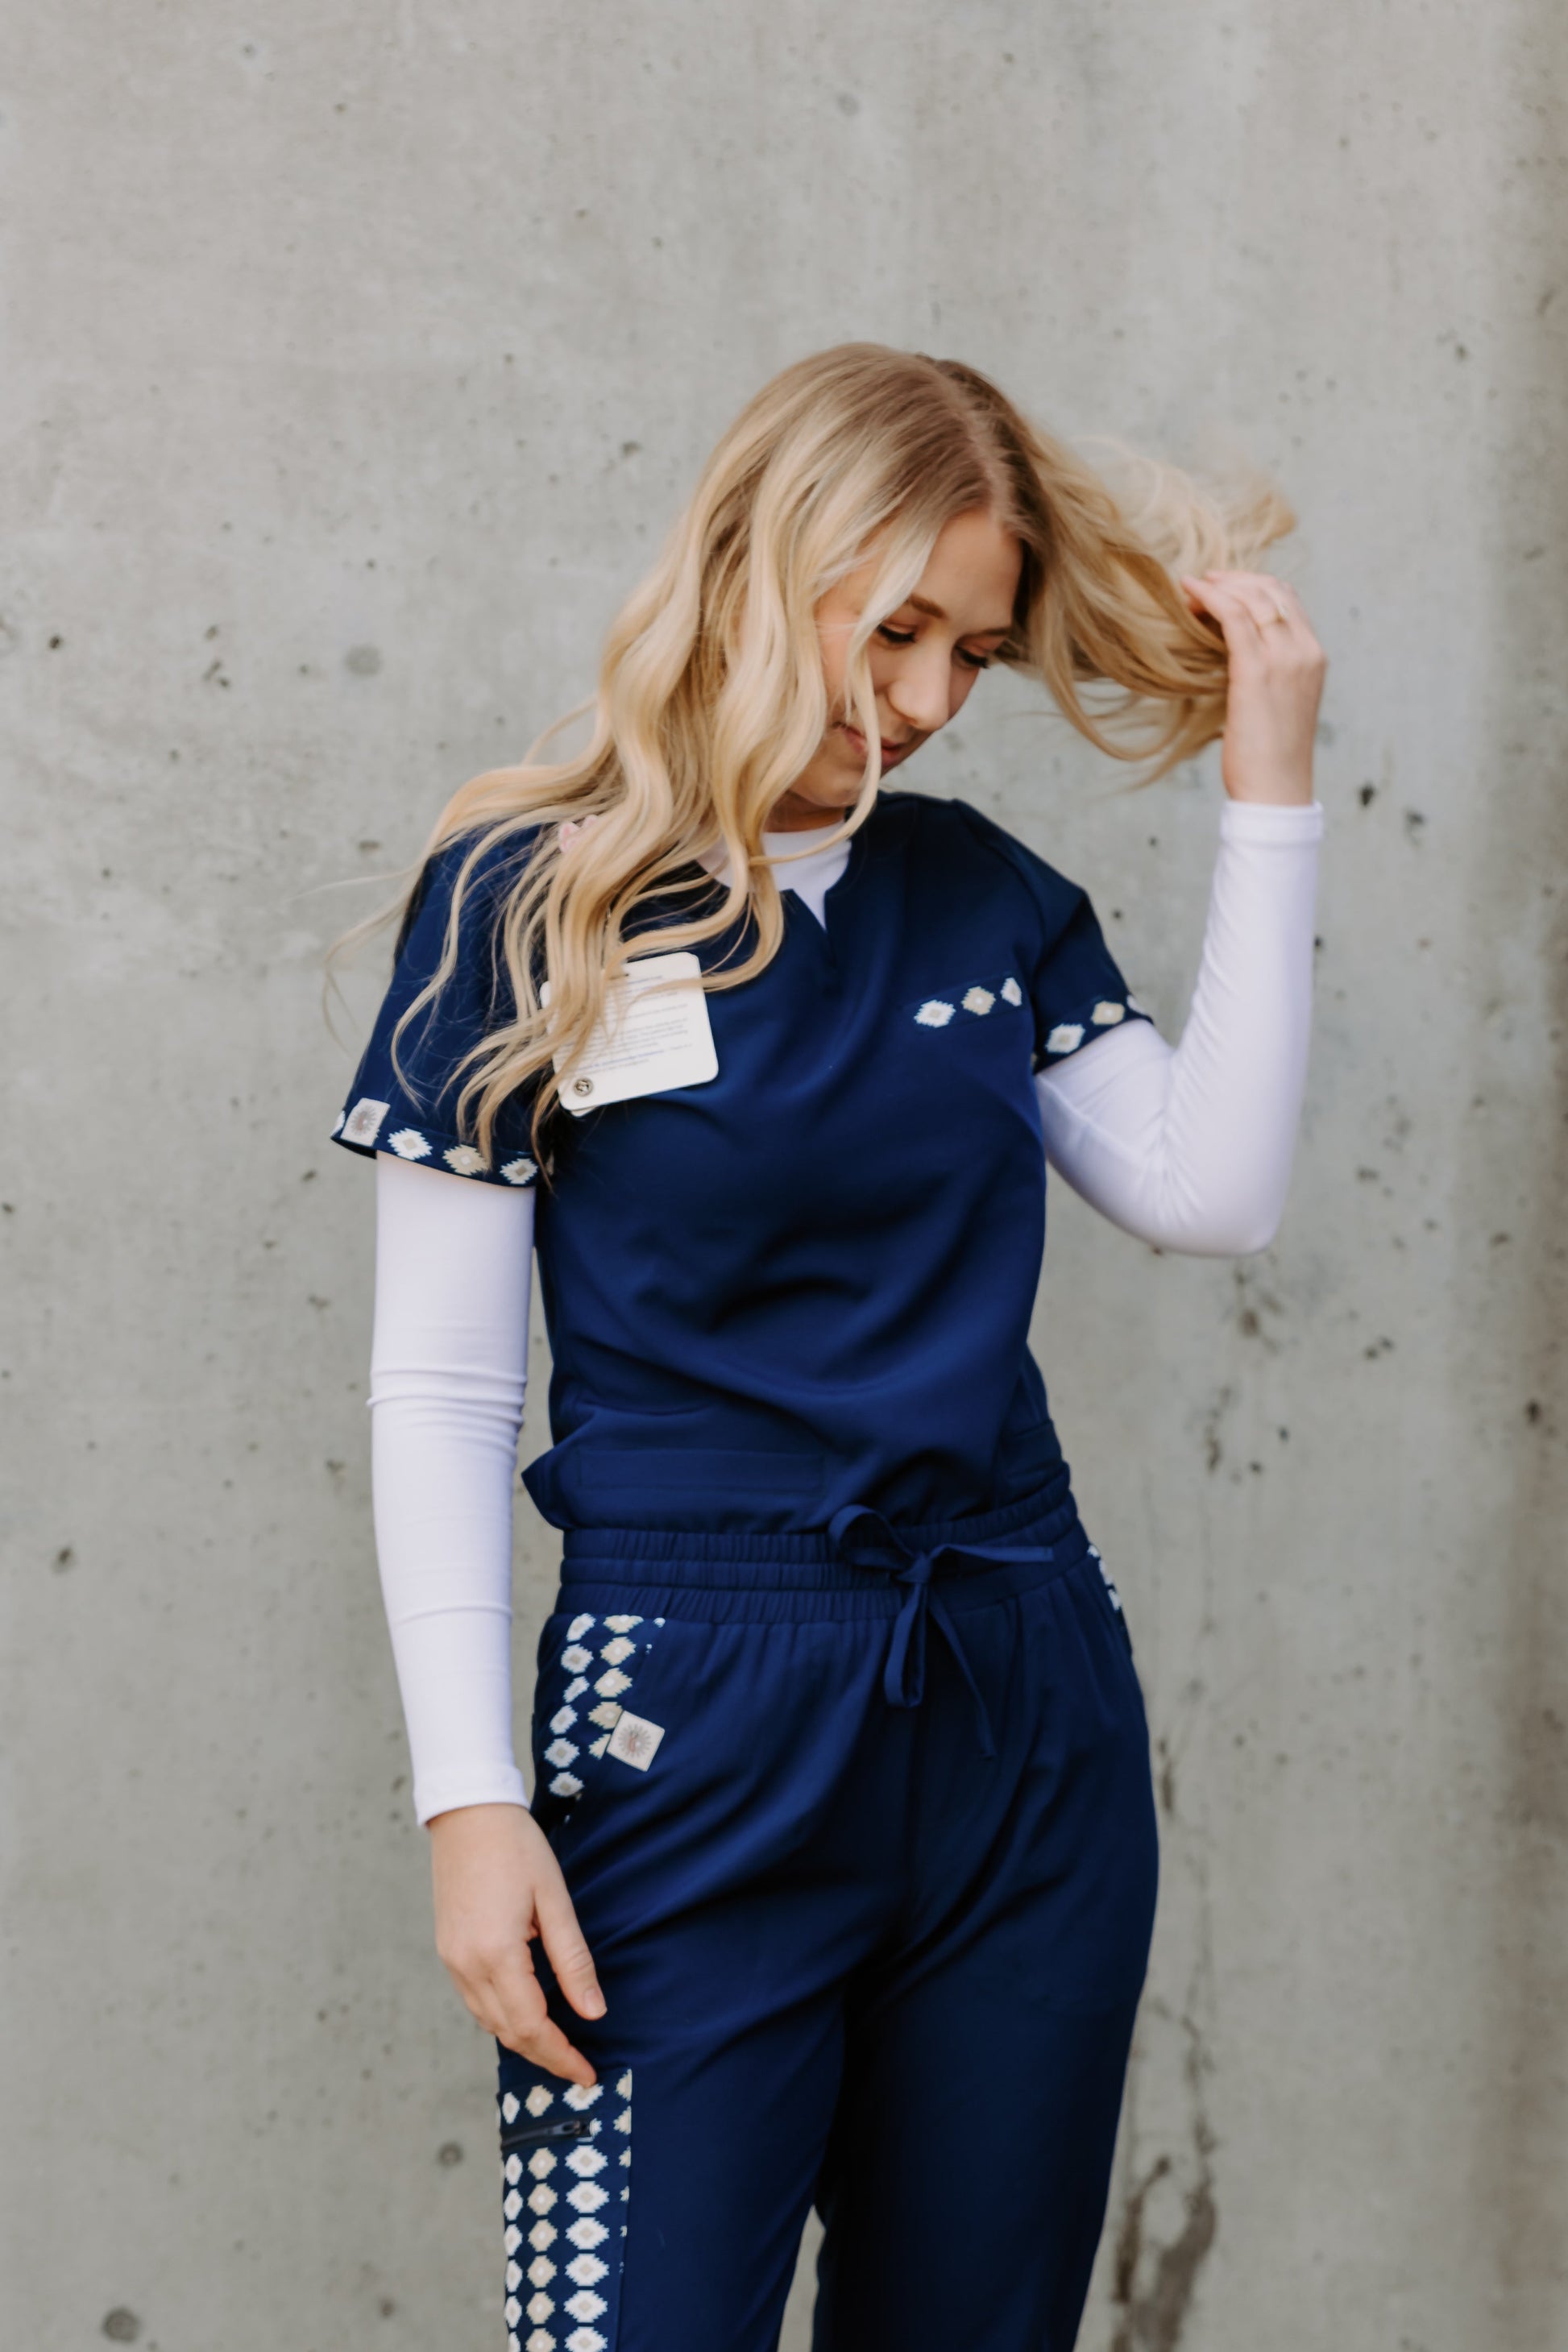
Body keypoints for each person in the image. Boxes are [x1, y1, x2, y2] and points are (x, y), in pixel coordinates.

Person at [332, 343, 1325, 2352]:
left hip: (1016, 1692)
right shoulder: (524, 901)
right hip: (685, 1716)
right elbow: (442, 1389)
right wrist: (469, 1799)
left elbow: (1209, 1191)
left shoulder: (986, 900)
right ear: (761, 566)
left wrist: (1270, 791)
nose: (930, 697)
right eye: (897, 629)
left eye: (975, 652)